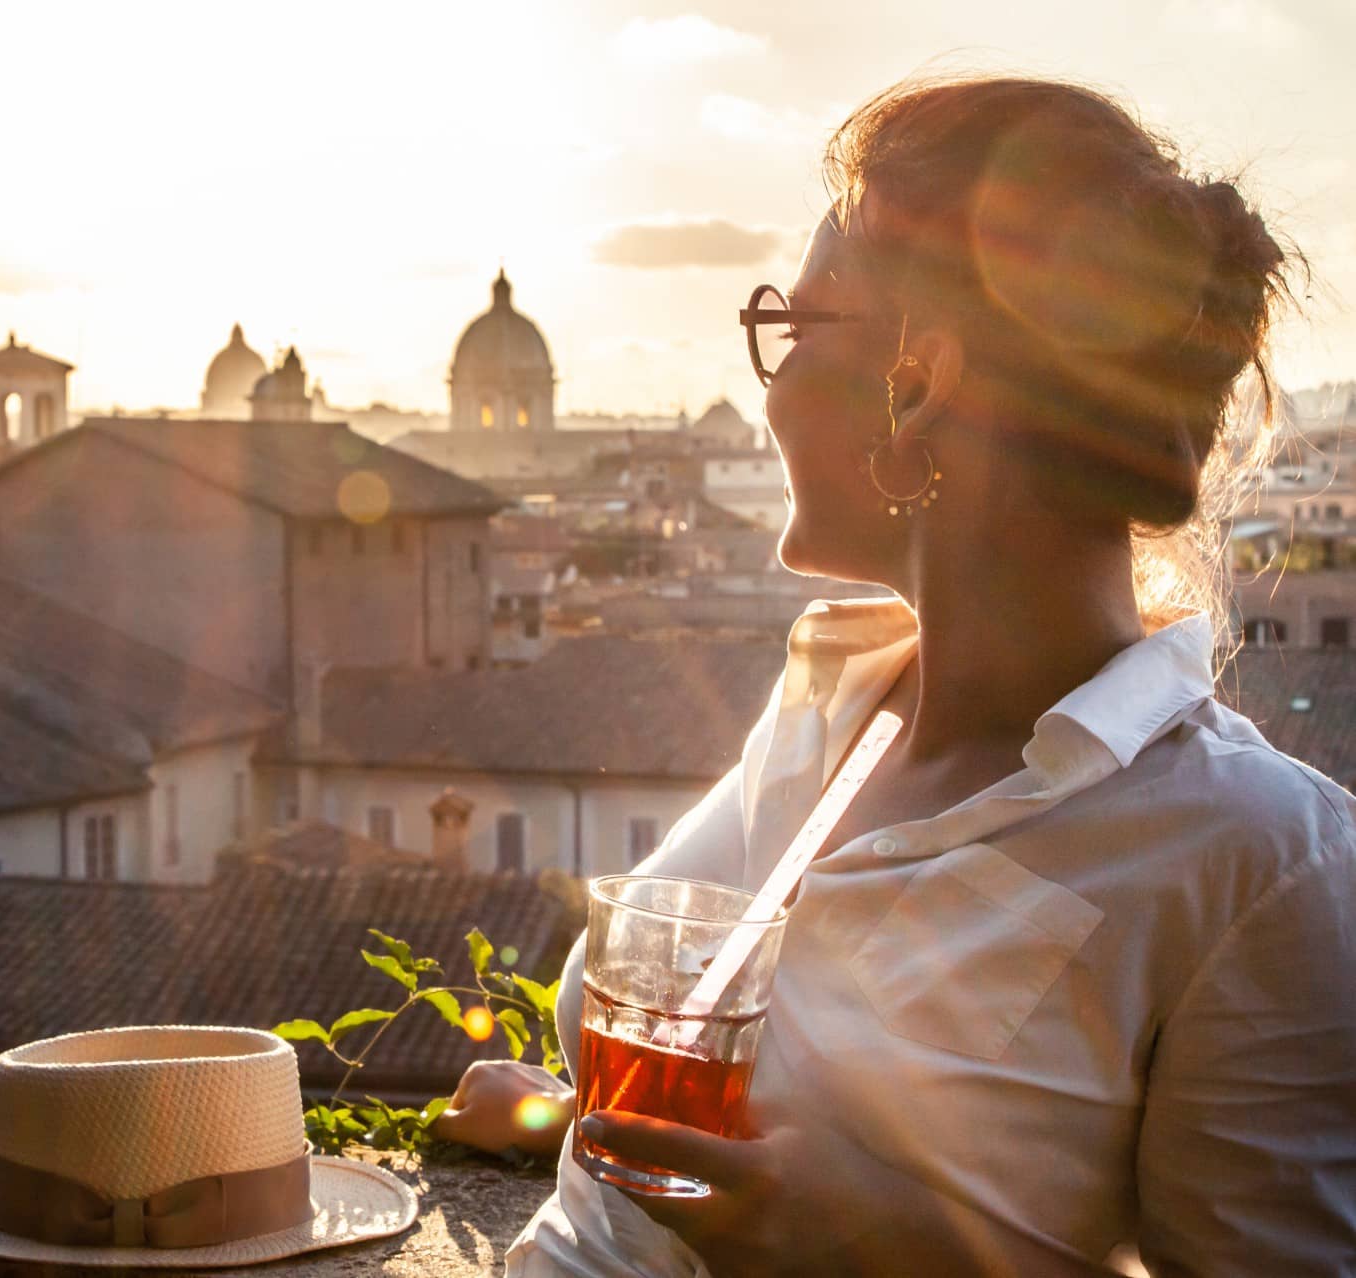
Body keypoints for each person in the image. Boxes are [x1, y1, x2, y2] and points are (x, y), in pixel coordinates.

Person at [433, 75, 1356, 1275]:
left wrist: (906, 1255)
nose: (767, 389)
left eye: (795, 330)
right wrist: (568, 1110)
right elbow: (763, 1093)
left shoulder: (1265, 863)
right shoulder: (826, 708)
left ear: (917, 384)